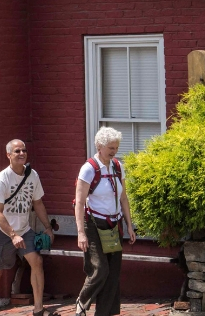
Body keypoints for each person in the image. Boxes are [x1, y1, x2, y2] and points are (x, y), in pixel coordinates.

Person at [0, 139, 54, 316]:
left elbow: (38, 203)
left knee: (37, 262)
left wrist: (47, 227)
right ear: (8, 155)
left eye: (24, 150)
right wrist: (13, 234)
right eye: (17, 151)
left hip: (24, 230)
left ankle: (38, 309)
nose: (22, 153)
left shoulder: (32, 175)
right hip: (2, 232)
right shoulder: (2, 179)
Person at [74, 127, 136, 316]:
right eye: (110, 147)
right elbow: (79, 202)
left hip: (114, 225)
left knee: (113, 274)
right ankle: (82, 301)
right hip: (93, 224)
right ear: (99, 146)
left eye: (116, 147)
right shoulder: (89, 168)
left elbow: (123, 198)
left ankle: (104, 313)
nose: (114, 151)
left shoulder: (117, 166)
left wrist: (129, 225)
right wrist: (81, 233)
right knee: (100, 269)